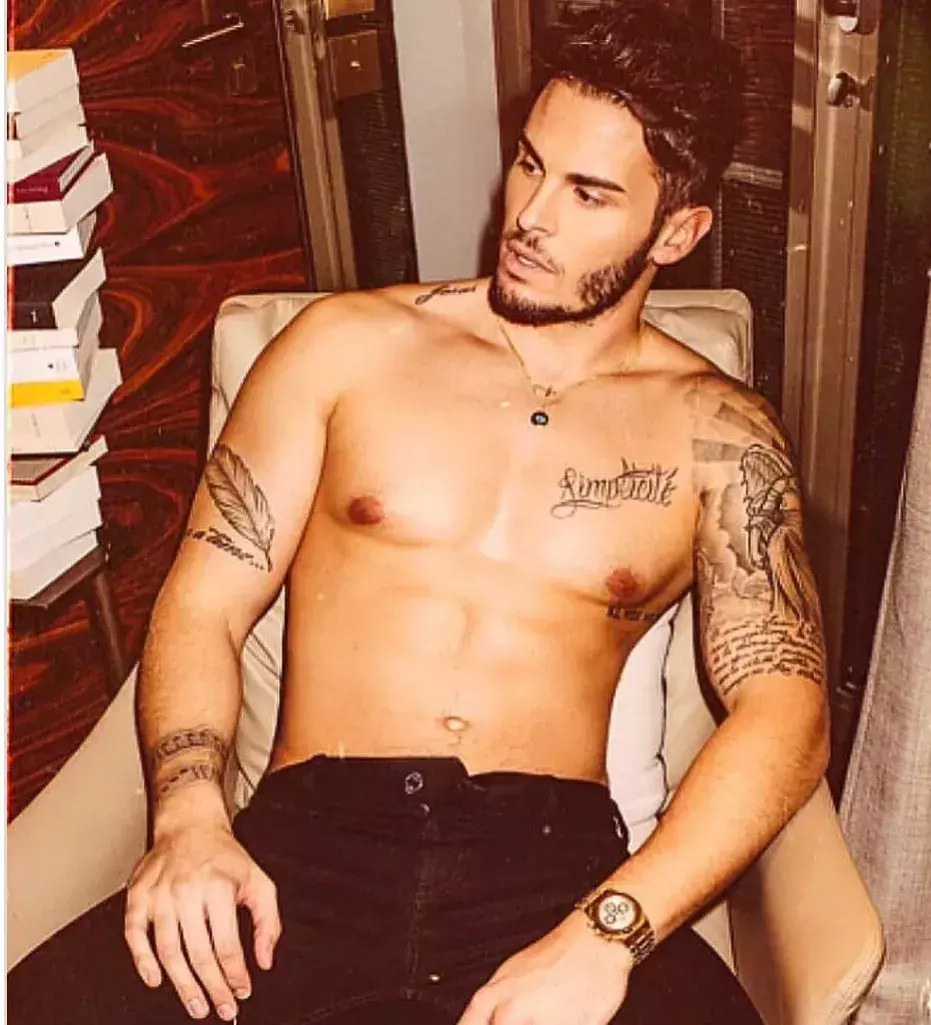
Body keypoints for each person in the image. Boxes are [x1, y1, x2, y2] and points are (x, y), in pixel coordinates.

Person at [8, 3, 830, 1023]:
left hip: (553, 876)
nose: (530, 217)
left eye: (587, 194)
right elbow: (205, 602)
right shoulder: (342, 345)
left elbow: (786, 713)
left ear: (678, 230)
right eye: (529, 165)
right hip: (302, 854)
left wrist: (607, 933)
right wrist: (188, 817)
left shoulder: (719, 433)